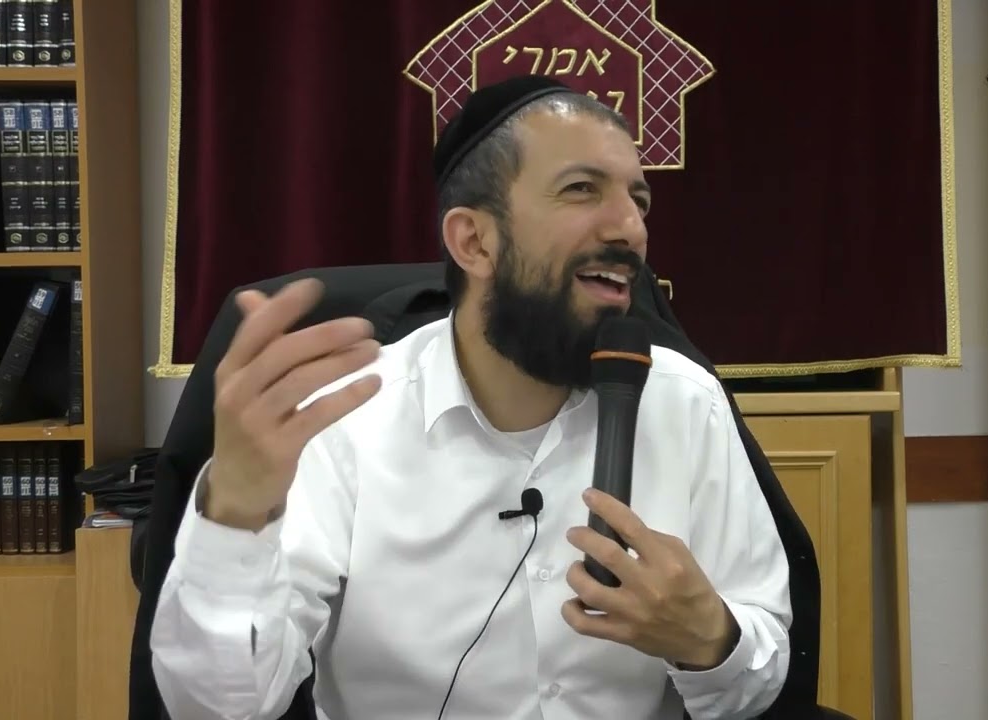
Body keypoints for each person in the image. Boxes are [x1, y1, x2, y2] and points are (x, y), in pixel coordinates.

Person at [148, 75, 792, 720]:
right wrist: (235, 515)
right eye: (582, 189)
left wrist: (710, 640)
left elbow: (758, 683)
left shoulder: (685, 402)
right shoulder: (348, 417)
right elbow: (218, 709)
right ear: (474, 242)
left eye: (639, 200)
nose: (631, 228)